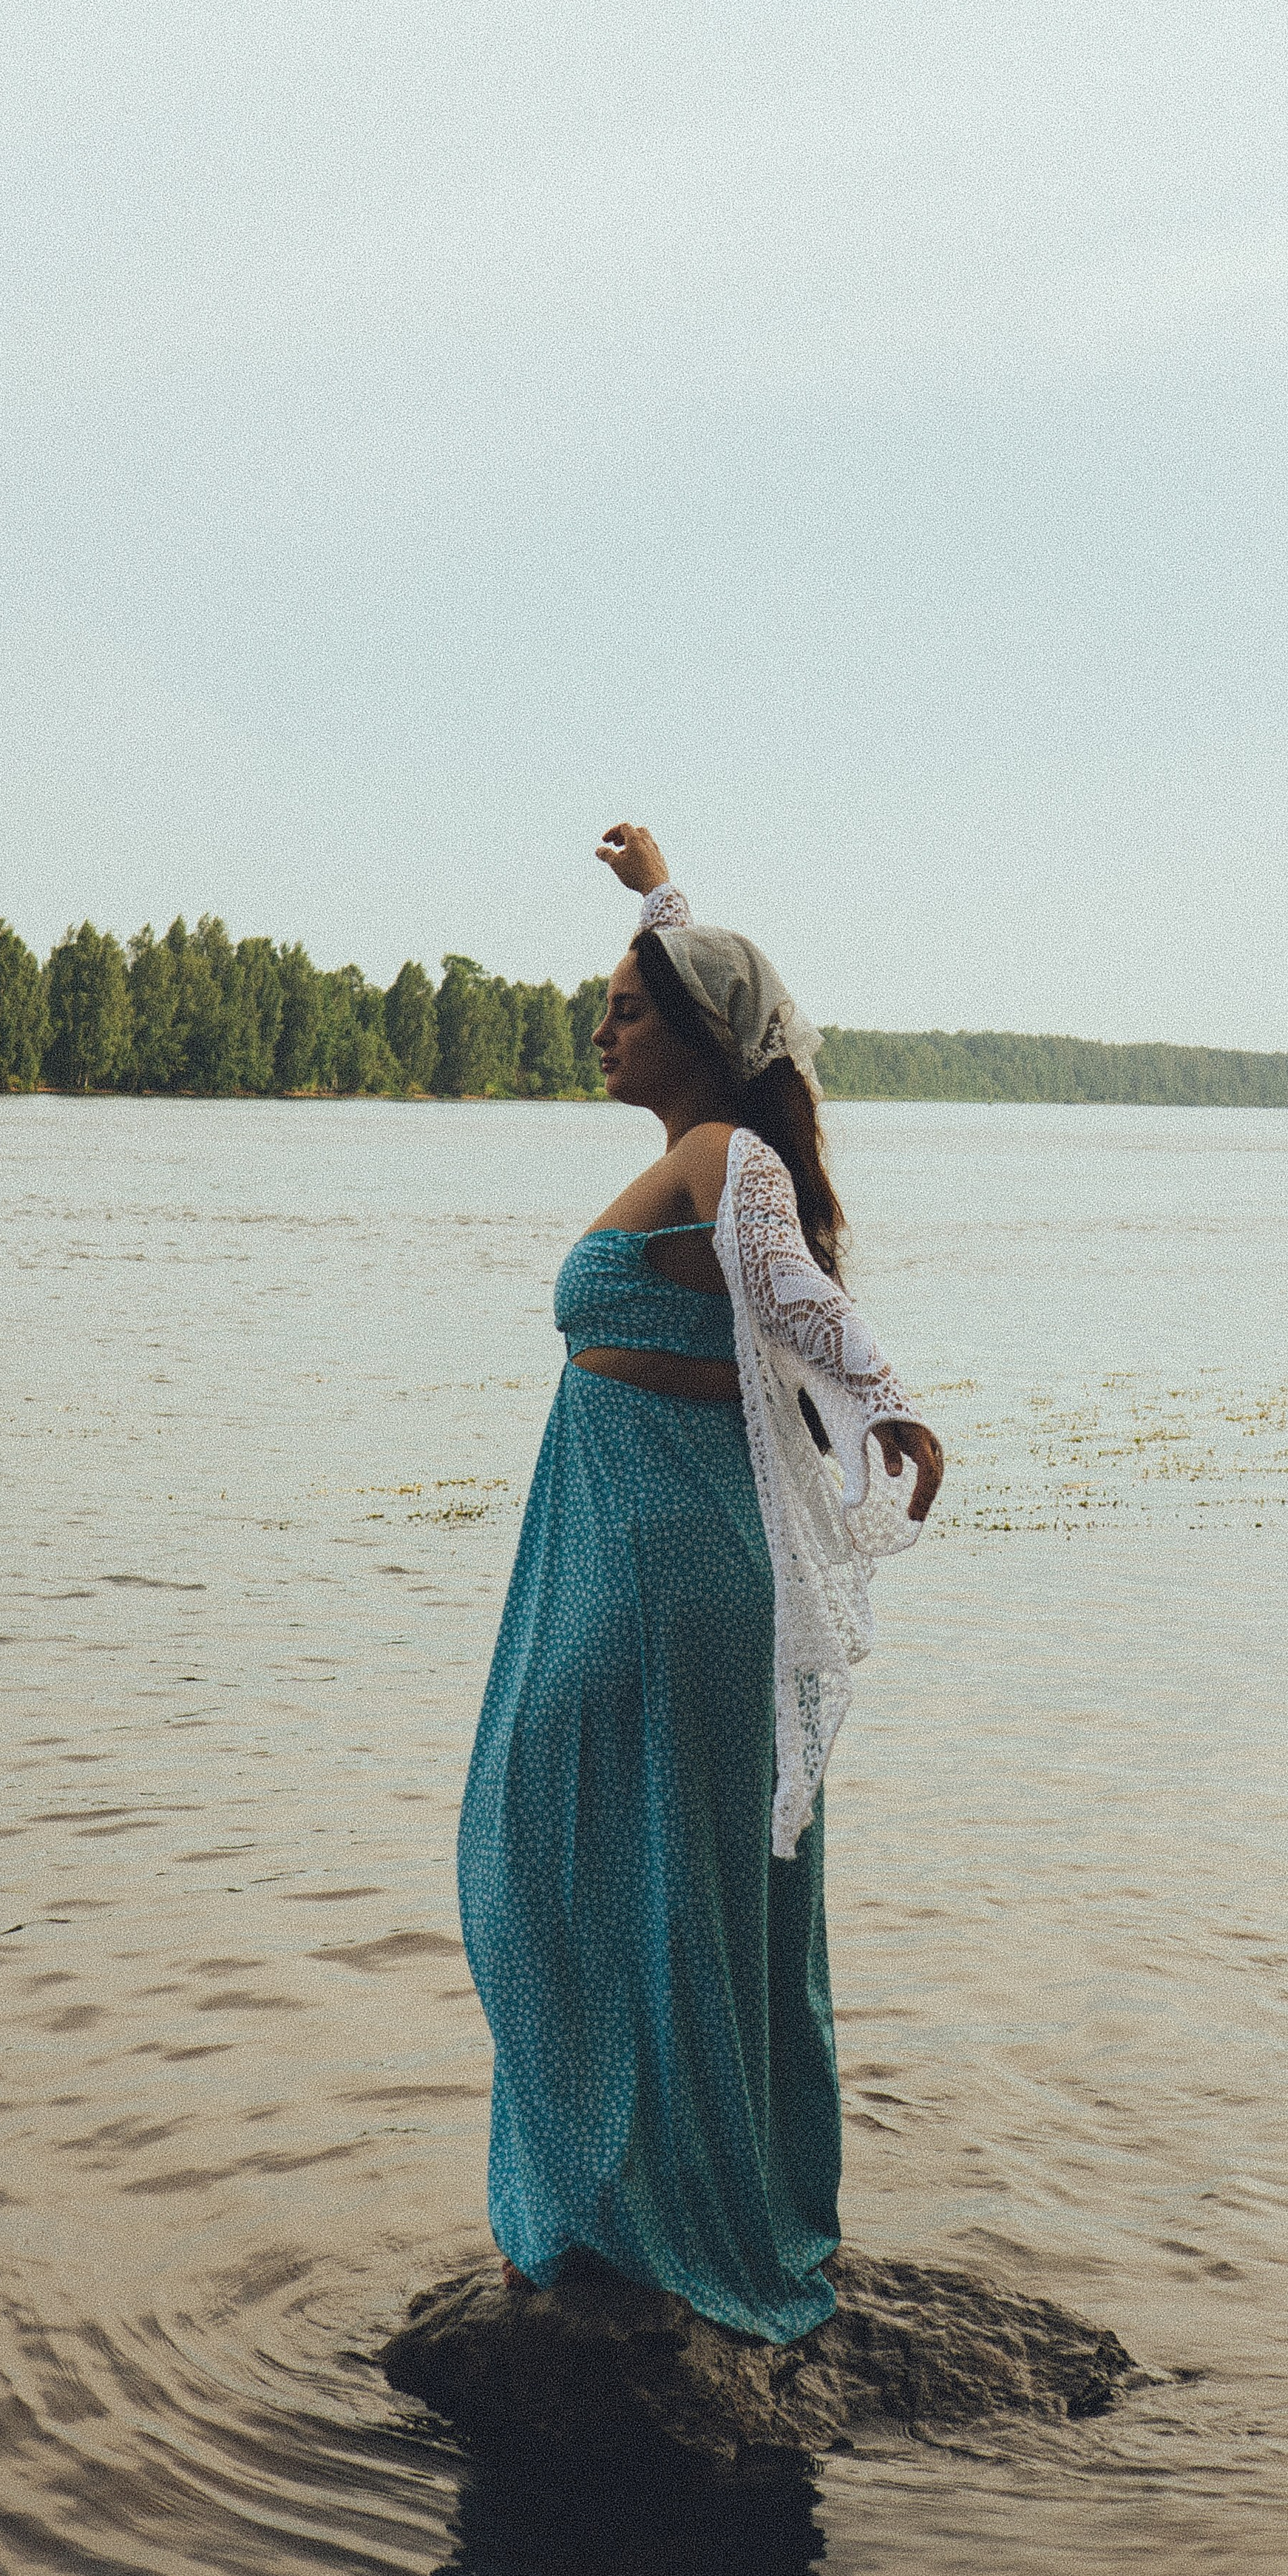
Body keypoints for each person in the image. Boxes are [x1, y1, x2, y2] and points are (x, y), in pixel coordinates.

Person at [456, 822, 943, 2345]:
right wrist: (656, 895)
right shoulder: (696, 1152)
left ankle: (652, 2217)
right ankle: (627, 2200)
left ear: (696, 1036)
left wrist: (892, 1403)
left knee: (569, 1858)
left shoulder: (723, 1158)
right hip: (626, 1549)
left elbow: (796, 1293)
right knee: (637, 1872)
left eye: (625, 1003)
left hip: (667, 1572)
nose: (598, 1025)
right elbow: (716, 998)